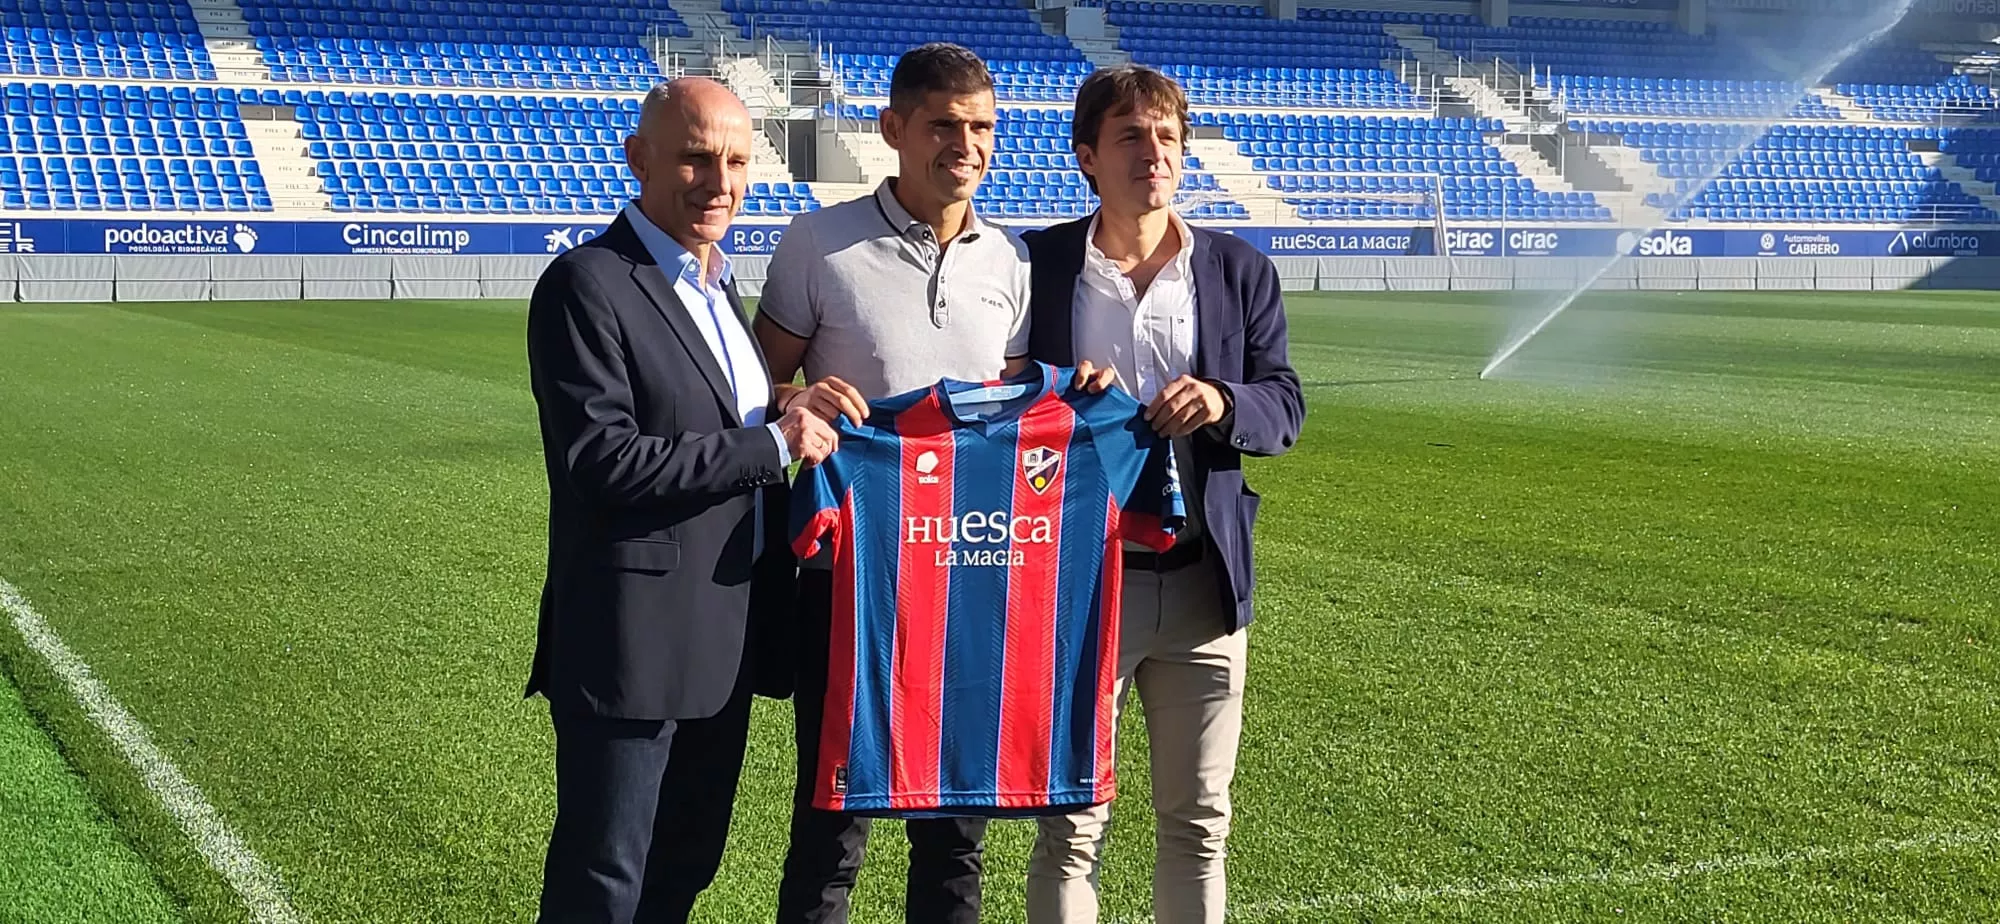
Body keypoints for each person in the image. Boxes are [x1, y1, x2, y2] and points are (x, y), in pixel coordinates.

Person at [754, 41, 1112, 924]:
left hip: (970, 580)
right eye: (944, 125)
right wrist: (804, 397)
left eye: (982, 127)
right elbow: (753, 383)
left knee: (956, 834)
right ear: (893, 129)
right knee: (832, 823)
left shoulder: (1014, 262)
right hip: (851, 582)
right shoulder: (819, 242)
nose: (967, 144)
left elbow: (1014, 412)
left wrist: (1086, 398)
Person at [523, 77, 840, 924]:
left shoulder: (712, 282)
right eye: (697, 157)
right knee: (604, 882)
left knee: (684, 868)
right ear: (640, 160)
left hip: (723, 637)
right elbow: (603, 460)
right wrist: (773, 446)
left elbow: (709, 415)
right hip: (631, 642)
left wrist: (785, 407)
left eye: (737, 161)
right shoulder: (586, 284)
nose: (720, 181)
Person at [1019, 65, 1305, 924]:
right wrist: (1054, 391)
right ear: (1087, 157)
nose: (1154, 154)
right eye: (1131, 136)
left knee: (1199, 825)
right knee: (1070, 824)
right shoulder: (1035, 265)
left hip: (1200, 587)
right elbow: (993, 398)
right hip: (1079, 586)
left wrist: (1222, 401)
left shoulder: (1236, 269)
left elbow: (1284, 403)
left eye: (1168, 138)